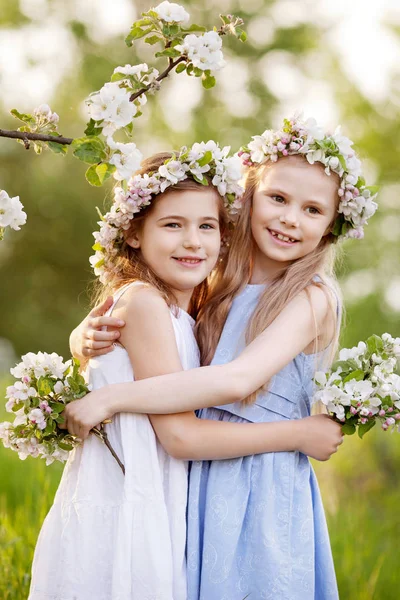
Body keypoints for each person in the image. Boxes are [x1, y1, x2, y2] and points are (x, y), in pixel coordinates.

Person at [65, 116, 375, 599]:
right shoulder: (215, 283)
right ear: (249, 200)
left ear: (333, 226)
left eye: (313, 209)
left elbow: (237, 379)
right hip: (198, 474)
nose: (291, 218)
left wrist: (112, 399)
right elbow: (154, 335)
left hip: (262, 485)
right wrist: (83, 336)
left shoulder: (311, 298)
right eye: (278, 199)